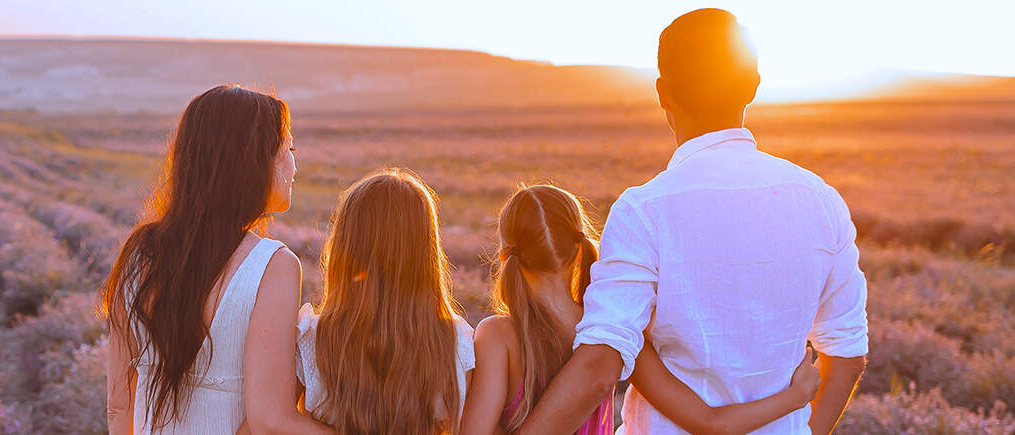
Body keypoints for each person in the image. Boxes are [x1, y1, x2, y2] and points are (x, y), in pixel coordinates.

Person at [517, 8, 870, 435]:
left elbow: (600, 365)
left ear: (662, 93)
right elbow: (846, 354)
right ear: (753, 86)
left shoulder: (644, 210)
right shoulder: (821, 201)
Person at [459, 185, 821, 435]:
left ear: (506, 254)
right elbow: (710, 423)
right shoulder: (615, 333)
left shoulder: (498, 336)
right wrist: (796, 396)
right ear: (579, 246)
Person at [102, 84, 327, 435]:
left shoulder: (138, 254)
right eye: (288, 149)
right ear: (252, 162)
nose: (294, 165)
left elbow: (119, 408)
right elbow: (271, 420)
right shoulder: (272, 265)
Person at [293, 168, 475, 434]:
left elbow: (271, 421)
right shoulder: (456, 342)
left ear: (344, 250)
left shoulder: (313, 338)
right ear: (426, 255)